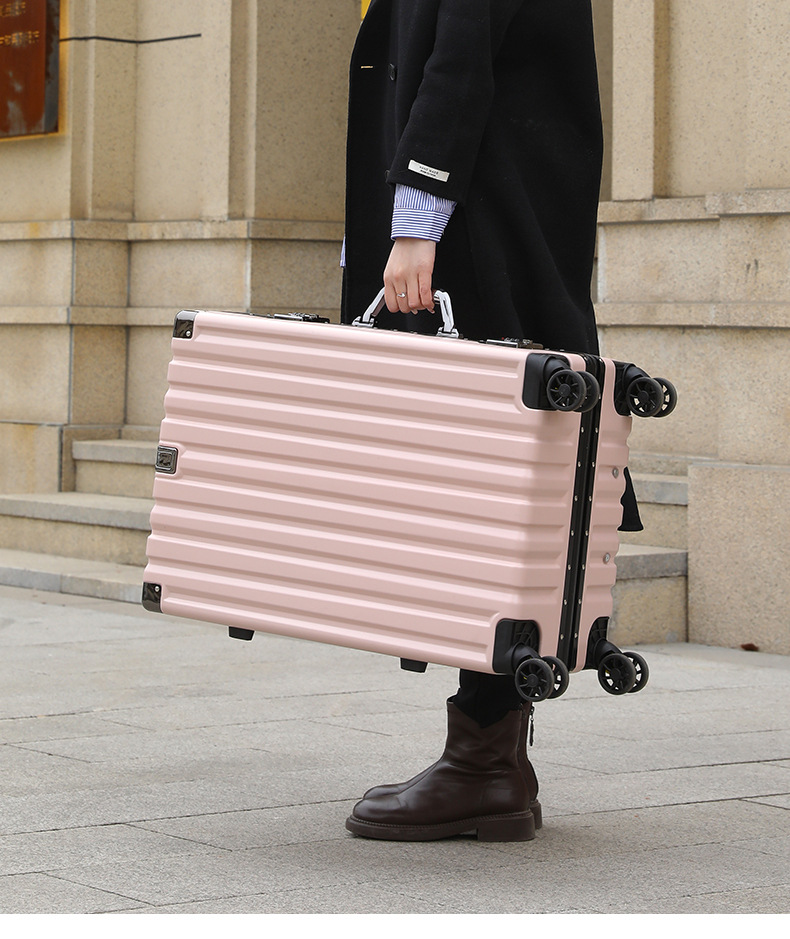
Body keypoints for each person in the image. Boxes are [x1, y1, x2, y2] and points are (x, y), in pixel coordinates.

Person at [341, 0, 641, 843]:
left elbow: (460, 54)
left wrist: (415, 219)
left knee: (494, 485)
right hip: (489, 206)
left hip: (480, 216)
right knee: (493, 485)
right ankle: (491, 754)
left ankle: (485, 761)